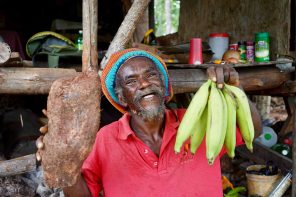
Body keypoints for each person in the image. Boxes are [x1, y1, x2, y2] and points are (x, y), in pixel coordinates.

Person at [37, 48, 262, 196]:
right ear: (121, 97)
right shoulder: (104, 140)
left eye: (151, 75)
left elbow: (253, 131)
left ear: (164, 87)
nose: (144, 84)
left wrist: (235, 88)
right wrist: (65, 164)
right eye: (132, 81)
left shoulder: (196, 121)